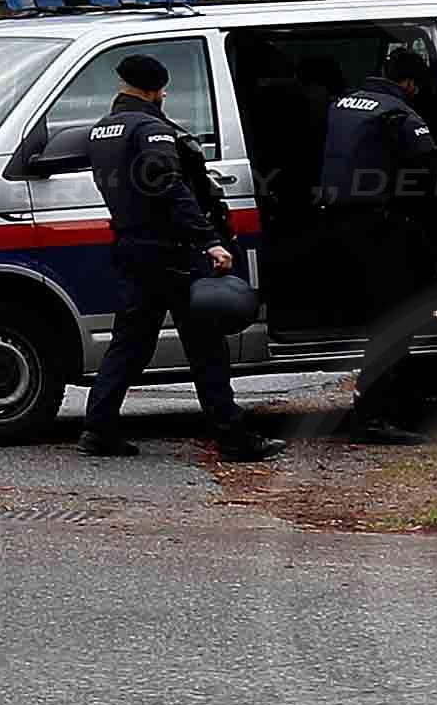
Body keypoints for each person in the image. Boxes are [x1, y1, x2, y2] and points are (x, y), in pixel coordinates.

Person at [73, 52, 285, 458]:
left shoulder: (102, 130)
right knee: (206, 346)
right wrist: (209, 240)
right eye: (163, 90)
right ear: (155, 90)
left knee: (129, 344)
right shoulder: (152, 130)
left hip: (132, 247)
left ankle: (98, 428)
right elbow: (170, 186)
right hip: (171, 252)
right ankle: (233, 437)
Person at [308, 38, 437, 444]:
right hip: (380, 225)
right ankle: (374, 416)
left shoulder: (344, 104)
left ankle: (397, 399)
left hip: (342, 222)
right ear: (410, 84)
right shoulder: (400, 114)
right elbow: (430, 175)